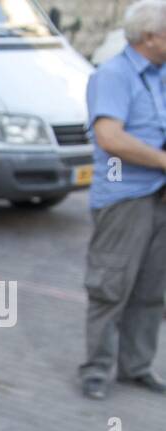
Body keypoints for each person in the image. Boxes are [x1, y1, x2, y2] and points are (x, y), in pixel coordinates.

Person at [80, 0, 166, 400]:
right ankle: (96, 370)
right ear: (150, 38)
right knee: (110, 288)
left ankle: (136, 367)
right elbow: (110, 138)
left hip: (158, 196)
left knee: (152, 290)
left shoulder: (161, 73)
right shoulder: (114, 75)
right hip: (126, 197)